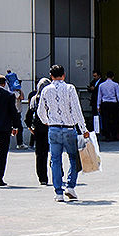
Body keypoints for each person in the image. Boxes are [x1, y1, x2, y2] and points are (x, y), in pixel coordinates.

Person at [37, 64, 90, 202]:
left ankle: (58, 192)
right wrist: (84, 129)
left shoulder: (46, 90)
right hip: (69, 128)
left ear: (51, 75)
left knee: (55, 160)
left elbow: (40, 111)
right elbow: (77, 110)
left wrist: (47, 121)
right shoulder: (70, 88)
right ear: (64, 75)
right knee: (73, 157)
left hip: (53, 129)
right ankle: (70, 186)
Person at [25, 79, 51, 184]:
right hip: (52, 127)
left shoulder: (34, 99)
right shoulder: (52, 98)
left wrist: (30, 127)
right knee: (55, 152)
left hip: (39, 129)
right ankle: (58, 173)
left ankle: (42, 178)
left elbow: (28, 116)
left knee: (40, 154)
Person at [96, 70, 119, 141]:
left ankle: (107, 136)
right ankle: (114, 135)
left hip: (105, 103)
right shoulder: (115, 85)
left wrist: (98, 106)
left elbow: (99, 96)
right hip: (113, 103)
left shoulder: (101, 85)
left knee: (105, 120)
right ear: (113, 77)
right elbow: (118, 95)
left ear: (106, 76)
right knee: (114, 119)